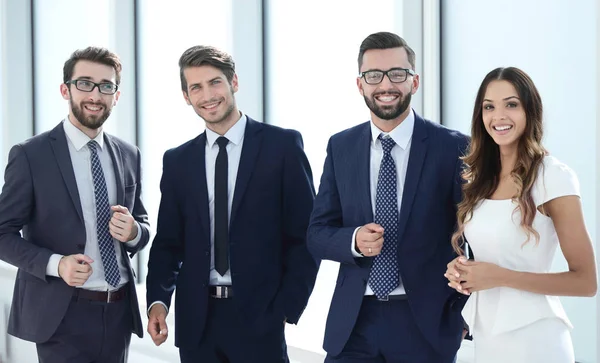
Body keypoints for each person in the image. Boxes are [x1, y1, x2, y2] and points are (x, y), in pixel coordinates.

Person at [145, 45, 319, 363]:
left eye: (215, 82)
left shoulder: (282, 147)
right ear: (186, 96)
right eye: (196, 87)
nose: (208, 95)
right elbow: (168, 244)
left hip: (260, 319)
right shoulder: (177, 161)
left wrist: (286, 309)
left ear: (233, 82)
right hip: (198, 322)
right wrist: (158, 301)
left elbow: (305, 235)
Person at [307, 31, 469, 363]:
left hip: (425, 323)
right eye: (373, 75)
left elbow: (473, 236)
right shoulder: (341, 147)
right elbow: (316, 234)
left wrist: (466, 310)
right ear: (360, 84)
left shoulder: (453, 147)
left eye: (397, 74)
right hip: (354, 322)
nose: (385, 84)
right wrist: (352, 240)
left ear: (414, 81)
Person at [0, 46, 150, 363]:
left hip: (118, 311)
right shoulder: (31, 155)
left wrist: (134, 231)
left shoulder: (128, 153)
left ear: (116, 95)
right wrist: (57, 264)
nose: (95, 94)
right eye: (85, 83)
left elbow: (142, 224)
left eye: (106, 86)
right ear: (65, 89)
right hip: (61, 315)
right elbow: (2, 234)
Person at [445, 66, 598, 363]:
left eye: (511, 105)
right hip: (488, 340)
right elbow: (495, 253)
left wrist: (499, 276)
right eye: (489, 107)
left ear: (530, 111)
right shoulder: (479, 179)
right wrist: (464, 270)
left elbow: (586, 282)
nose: (499, 116)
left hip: (536, 341)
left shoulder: (553, 176)